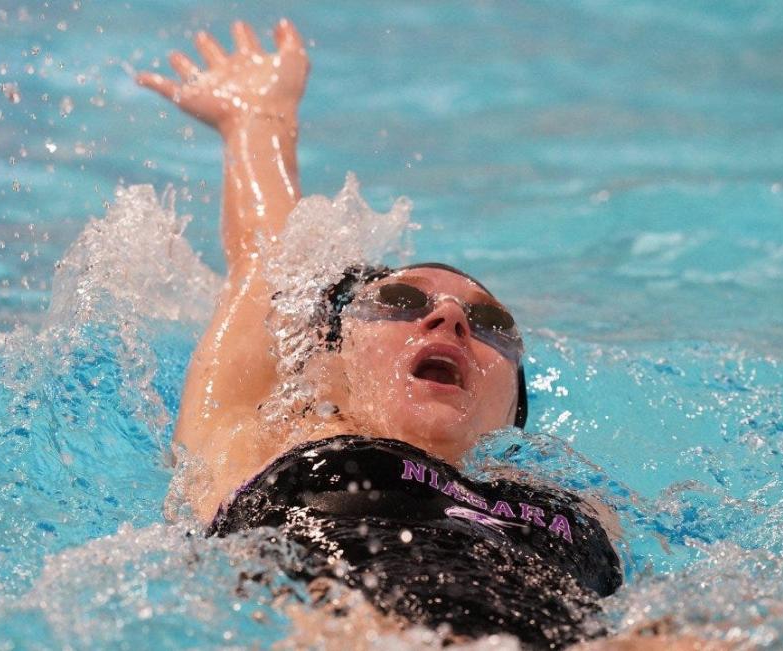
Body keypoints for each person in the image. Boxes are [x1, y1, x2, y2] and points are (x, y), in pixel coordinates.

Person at [137, 18, 624, 650]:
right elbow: (268, 262)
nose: (448, 320)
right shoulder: (258, 440)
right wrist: (257, 119)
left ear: (513, 408)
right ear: (329, 364)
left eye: (490, 323)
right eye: (399, 302)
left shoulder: (577, 508)